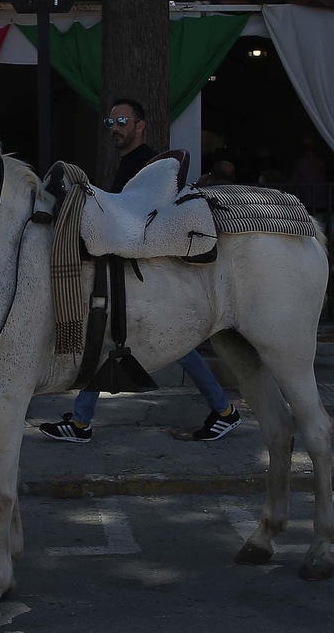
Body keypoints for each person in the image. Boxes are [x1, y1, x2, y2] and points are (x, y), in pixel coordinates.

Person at [38, 98, 242, 444]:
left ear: (140, 126)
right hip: (138, 273)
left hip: (149, 273)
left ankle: (82, 423)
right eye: (110, 123)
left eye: (122, 121)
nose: (115, 128)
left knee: (118, 337)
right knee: (161, 343)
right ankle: (223, 410)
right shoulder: (133, 165)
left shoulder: (148, 166)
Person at [289, 137, 328, 211]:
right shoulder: (319, 162)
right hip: (319, 200)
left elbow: (293, 181)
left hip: (306, 201)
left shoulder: (300, 162)